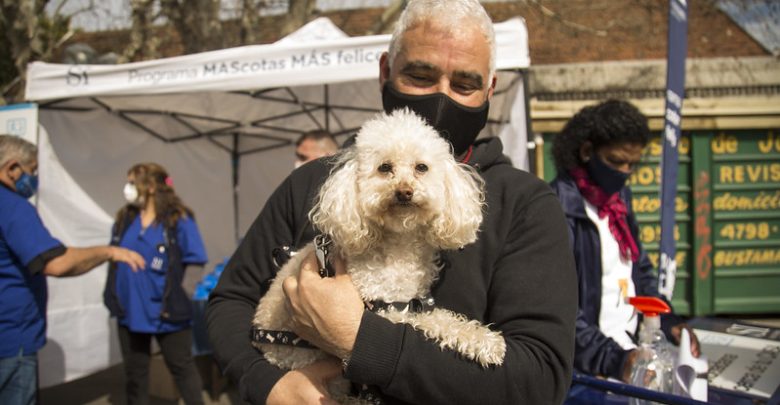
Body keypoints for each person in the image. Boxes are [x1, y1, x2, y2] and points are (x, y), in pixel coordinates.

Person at [206, 0, 578, 404]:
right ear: (385, 71)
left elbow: (540, 379)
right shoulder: (311, 183)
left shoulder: (526, 205)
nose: (441, 96)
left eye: (464, 85)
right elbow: (231, 300)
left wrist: (359, 339)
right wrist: (266, 383)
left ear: (490, 90)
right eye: (420, 75)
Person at [548, 100, 701, 384]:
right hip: (588, 372)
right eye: (616, 161)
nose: (625, 172)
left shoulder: (618, 201)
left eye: (633, 164)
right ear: (586, 152)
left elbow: (639, 270)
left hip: (628, 352)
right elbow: (558, 306)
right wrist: (612, 359)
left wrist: (668, 323)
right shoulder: (555, 207)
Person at [0, 135, 145, 405]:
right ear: (11, 168)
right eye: (31, 171)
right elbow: (57, 263)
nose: (33, 179)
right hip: (10, 342)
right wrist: (110, 251)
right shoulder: (12, 207)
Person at [103, 162, 208, 405]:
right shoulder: (125, 218)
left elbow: (195, 260)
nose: (127, 189)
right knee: (135, 374)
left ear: (150, 186)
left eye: (131, 183)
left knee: (182, 369)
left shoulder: (177, 218)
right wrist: (112, 294)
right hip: (130, 311)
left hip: (167, 311)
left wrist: (183, 294)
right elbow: (113, 255)